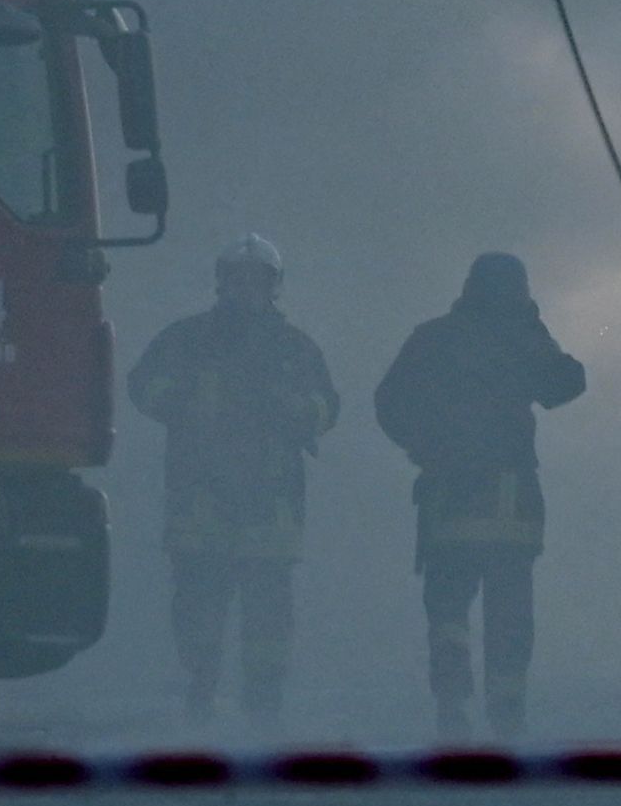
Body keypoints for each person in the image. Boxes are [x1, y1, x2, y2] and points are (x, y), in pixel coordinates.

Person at [127, 235, 340, 727]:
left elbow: (329, 404)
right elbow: (142, 384)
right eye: (238, 279)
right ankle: (201, 687)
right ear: (222, 282)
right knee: (199, 599)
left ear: (274, 286)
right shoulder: (187, 338)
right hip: (200, 495)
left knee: (269, 608)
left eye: (258, 280)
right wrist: (184, 402)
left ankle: (263, 699)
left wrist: (300, 411)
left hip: (272, 497)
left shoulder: (295, 347)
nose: (248, 289)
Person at [374, 253, 587, 743]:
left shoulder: (431, 337)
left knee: (448, 607)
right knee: (509, 609)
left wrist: (422, 444)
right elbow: (565, 384)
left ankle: (452, 704)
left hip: (448, 496)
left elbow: (388, 401)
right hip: (510, 501)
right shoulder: (521, 337)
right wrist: (535, 328)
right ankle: (507, 711)